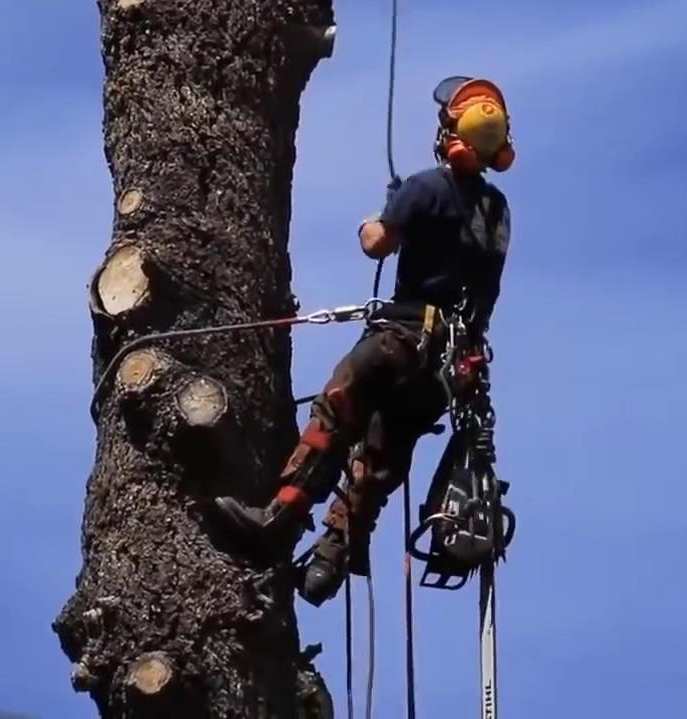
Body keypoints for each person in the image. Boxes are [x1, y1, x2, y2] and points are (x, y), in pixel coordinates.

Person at [209, 76, 515, 605]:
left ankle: (281, 517)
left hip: (404, 336)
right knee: (379, 458)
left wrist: (382, 214)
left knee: (338, 408)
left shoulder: (426, 188)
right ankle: (329, 563)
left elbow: (377, 244)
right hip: (448, 369)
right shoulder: (498, 212)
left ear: (451, 133)